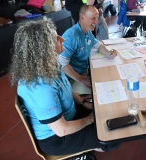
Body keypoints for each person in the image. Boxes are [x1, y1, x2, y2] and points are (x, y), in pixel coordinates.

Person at [9, 17, 119, 156]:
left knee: (108, 115)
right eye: (56, 39)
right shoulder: (40, 87)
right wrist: (90, 119)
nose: (63, 39)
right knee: (112, 136)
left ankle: (90, 142)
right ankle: (86, 149)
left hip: (68, 115)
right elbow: (62, 130)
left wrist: (83, 102)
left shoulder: (48, 65)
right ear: (43, 48)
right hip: (57, 139)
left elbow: (65, 87)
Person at [59, 5, 117, 91]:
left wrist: (109, 53)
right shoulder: (71, 36)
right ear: (82, 17)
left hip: (85, 72)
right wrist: (81, 79)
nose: (97, 22)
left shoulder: (87, 32)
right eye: (93, 18)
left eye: (97, 18)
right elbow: (62, 64)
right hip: (72, 79)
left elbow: (98, 45)